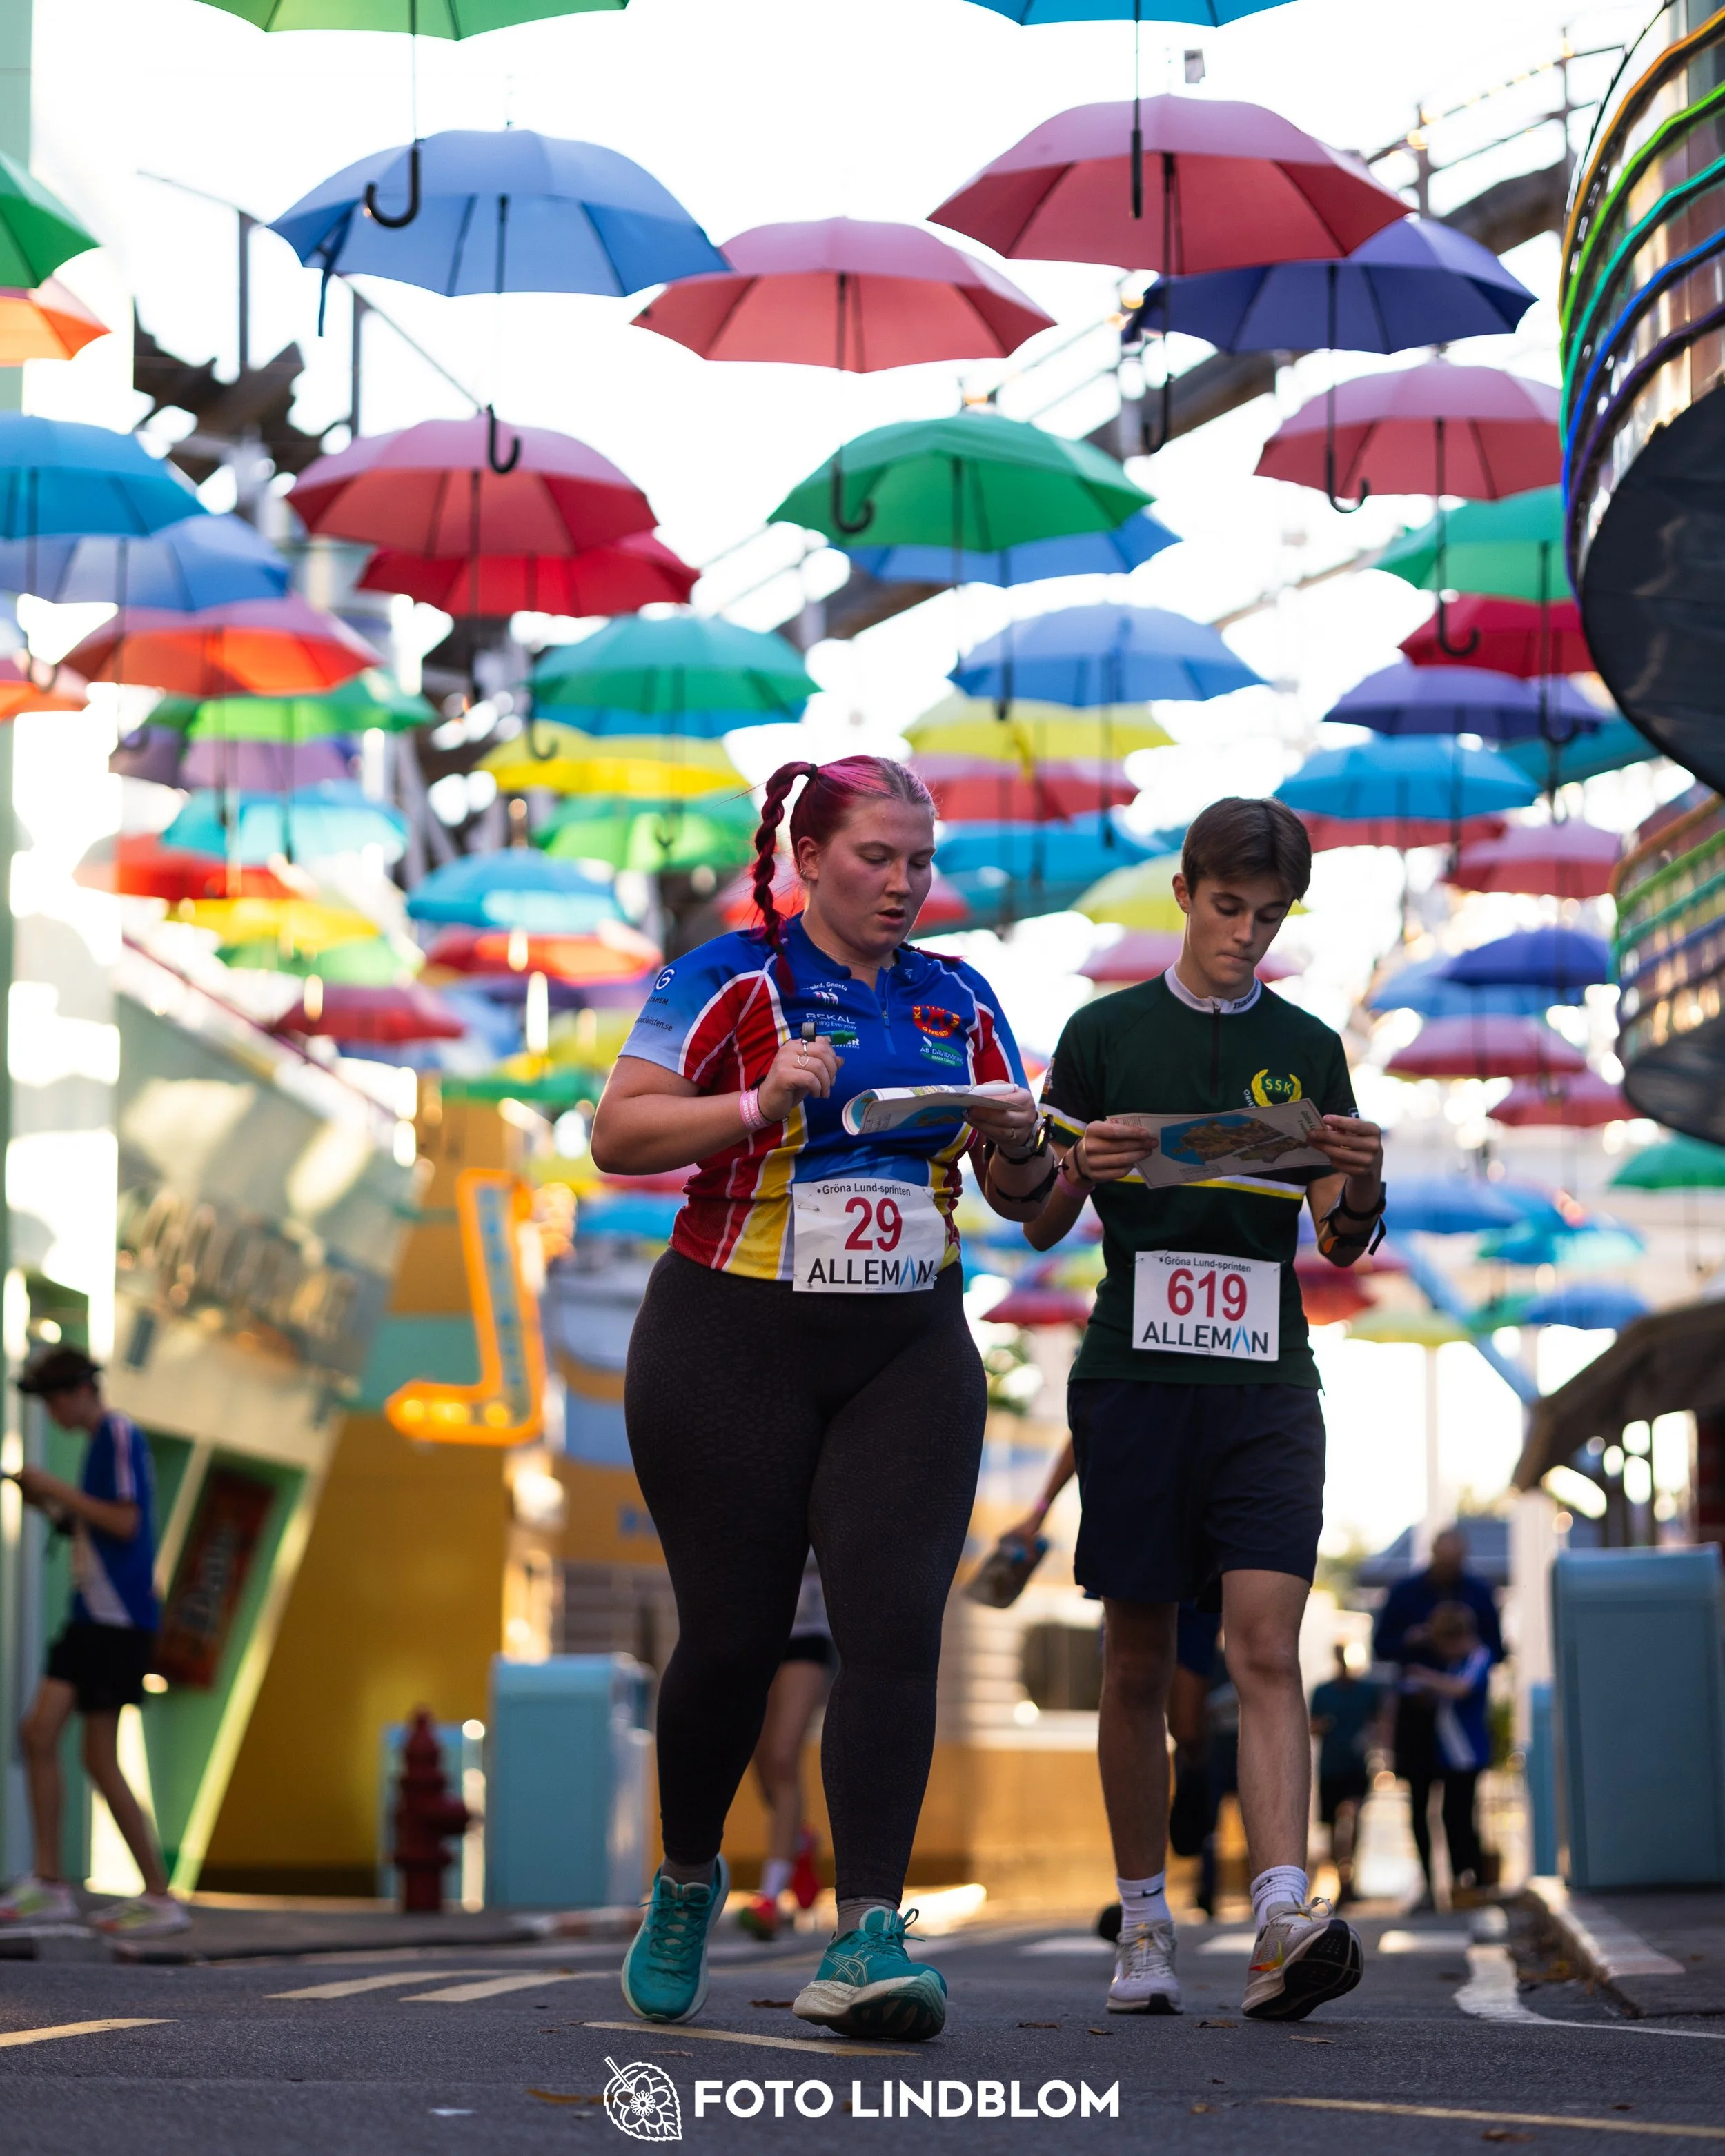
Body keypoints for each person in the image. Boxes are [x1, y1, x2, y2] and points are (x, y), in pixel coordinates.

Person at [591, 755, 1051, 2041]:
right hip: (730, 1338)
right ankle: (688, 1876)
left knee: (894, 1631)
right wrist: (756, 1100)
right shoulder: (731, 978)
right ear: (808, 859)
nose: (904, 884)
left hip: (908, 1345)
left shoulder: (961, 997)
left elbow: (1032, 1208)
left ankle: (868, 1932)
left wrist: (1026, 1145)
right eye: (876, 859)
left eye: (921, 862)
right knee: (733, 1640)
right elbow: (618, 1134)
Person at [1025, 796, 1386, 2022]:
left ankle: (1282, 1918)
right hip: (1134, 1376)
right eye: (1229, 907)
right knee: (1135, 1660)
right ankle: (1143, 1920)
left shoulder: (1309, 1047)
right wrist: (1077, 1166)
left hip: (1267, 1381)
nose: (1246, 933)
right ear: (1183, 893)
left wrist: (1363, 1182)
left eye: (1269, 916)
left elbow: (1341, 1235)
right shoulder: (1103, 1033)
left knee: (1265, 1646)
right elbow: (1038, 1216)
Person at [0, 1345, 186, 1937]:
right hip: (93, 1617)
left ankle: (157, 1895)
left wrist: (55, 1485)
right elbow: (95, 1525)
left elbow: (125, 1521)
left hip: (116, 1619)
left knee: (94, 1755)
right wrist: (48, 1503)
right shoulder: (101, 1440)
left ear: (81, 1390)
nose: (52, 1413)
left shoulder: (118, 1432)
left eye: (54, 1400)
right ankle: (52, 1882)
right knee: (41, 1734)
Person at [1374, 1525, 1502, 1912]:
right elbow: (1381, 1646)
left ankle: (1466, 1881)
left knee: (1461, 1805)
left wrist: (1460, 1657)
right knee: (1419, 1802)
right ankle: (1430, 1885)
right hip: (1417, 1715)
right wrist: (1414, 1641)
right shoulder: (1405, 1592)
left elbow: (1495, 1649)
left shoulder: (1478, 1593)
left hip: (1459, 1721)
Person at [737, 1554, 832, 1941]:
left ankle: (770, 1898)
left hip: (807, 1634)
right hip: (754, 1629)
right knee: (760, 1761)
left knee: (781, 1757)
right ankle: (800, 1841)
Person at [1394, 1602, 1492, 1908]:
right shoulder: (1456, 1662)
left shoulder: (1478, 1657)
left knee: (1461, 1817)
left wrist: (1426, 1676)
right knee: (1450, 1816)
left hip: (1467, 1751)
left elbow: (1462, 1689)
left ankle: (1470, 1880)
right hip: (1448, 1752)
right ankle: (1457, 1882)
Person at [1308, 1645, 1383, 1906]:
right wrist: (1323, 1726)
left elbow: (1379, 1723)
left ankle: (1349, 1876)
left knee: (1352, 1819)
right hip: (1332, 1767)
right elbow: (1313, 1725)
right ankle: (1341, 1879)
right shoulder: (1323, 1691)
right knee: (1332, 1828)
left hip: (1356, 1767)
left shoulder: (1367, 1691)